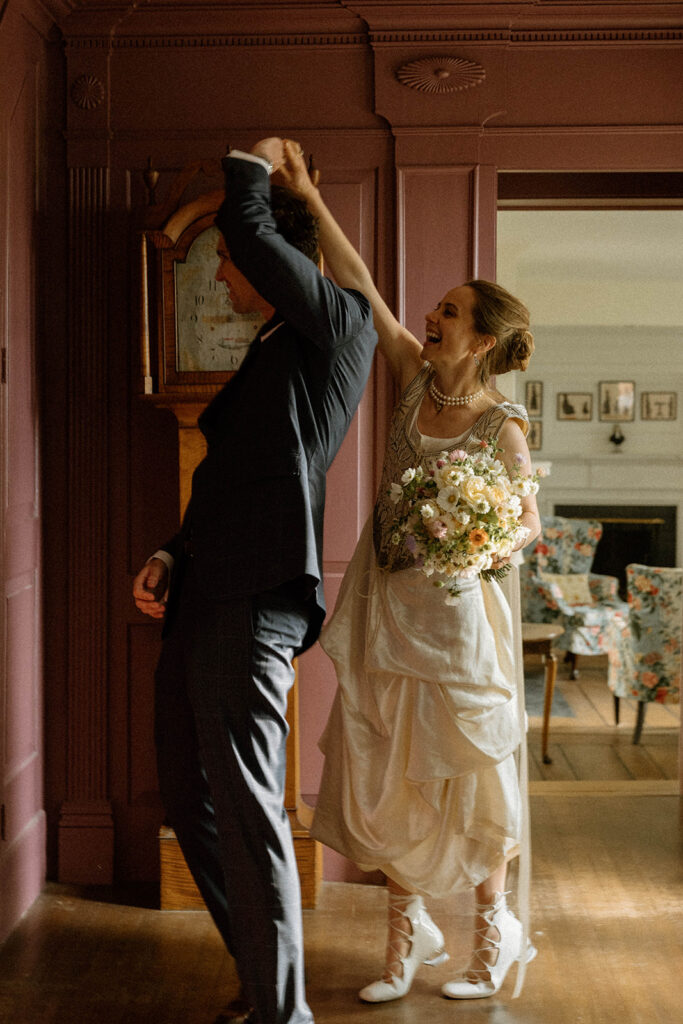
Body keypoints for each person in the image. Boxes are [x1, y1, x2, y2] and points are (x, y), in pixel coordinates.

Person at [277, 141, 541, 1005]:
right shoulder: (406, 373)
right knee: (387, 768)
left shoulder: (503, 425)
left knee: (468, 776)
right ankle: (404, 939)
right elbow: (358, 282)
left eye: (450, 313)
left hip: (458, 623)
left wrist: (479, 545)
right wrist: (312, 201)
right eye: (434, 308)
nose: (430, 318)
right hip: (387, 609)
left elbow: (526, 525)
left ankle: (490, 939)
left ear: (486, 338)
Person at [132, 138, 377, 1024]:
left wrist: (255, 163)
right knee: (190, 795)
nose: (227, 282)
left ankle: (284, 1015)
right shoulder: (272, 347)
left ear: (279, 262)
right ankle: (262, 981)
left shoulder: (335, 328)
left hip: (256, 603)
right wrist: (171, 551)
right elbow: (232, 481)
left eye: (234, 264)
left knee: (249, 810)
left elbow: (249, 220)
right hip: (205, 592)